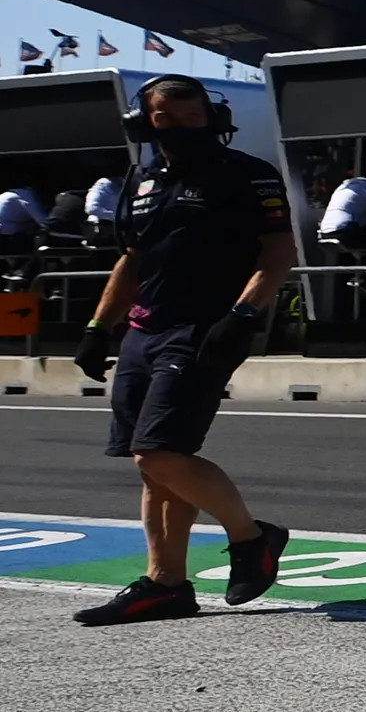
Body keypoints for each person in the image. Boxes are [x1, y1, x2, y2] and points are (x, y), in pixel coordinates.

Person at [68, 74, 294, 626]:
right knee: (155, 470)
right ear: (145, 124)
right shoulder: (142, 181)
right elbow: (132, 261)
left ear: (212, 119)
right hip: (144, 331)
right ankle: (166, 584)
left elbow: (279, 250)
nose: (183, 130)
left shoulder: (247, 174)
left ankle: (253, 537)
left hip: (205, 329)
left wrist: (244, 314)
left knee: (159, 452)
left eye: (194, 119)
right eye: (168, 120)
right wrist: (99, 325)